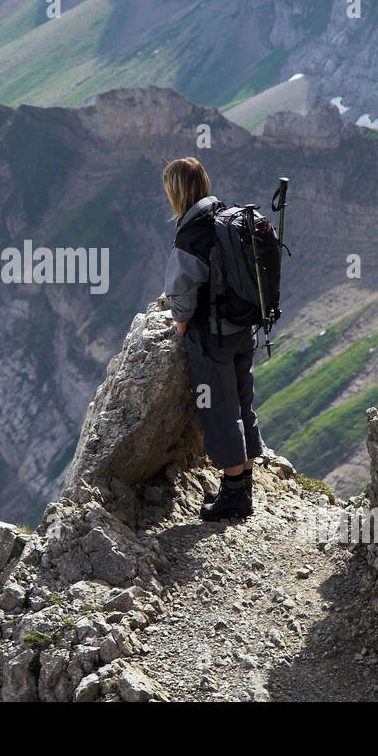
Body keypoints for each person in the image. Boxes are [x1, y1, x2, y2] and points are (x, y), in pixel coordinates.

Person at [161, 157, 264, 521]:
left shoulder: (192, 233)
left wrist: (181, 325)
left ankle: (234, 497)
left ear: (177, 191)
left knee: (218, 410)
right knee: (241, 402)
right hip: (242, 330)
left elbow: (182, 292)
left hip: (212, 336)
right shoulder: (227, 217)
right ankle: (243, 485)